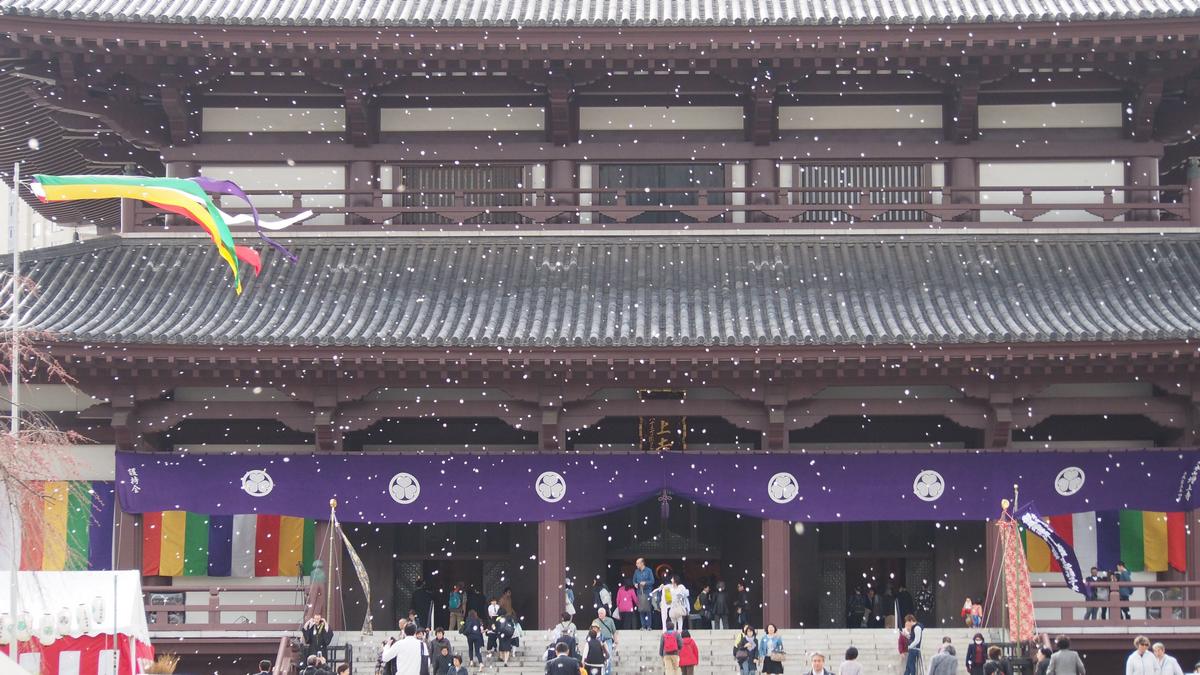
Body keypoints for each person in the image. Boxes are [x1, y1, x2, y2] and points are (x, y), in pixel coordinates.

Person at [592, 607, 618, 675]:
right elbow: (592, 632)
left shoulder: (610, 620)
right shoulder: (595, 621)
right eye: (599, 613)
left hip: (608, 640)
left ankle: (607, 673)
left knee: (608, 657)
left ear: (605, 613)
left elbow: (614, 631)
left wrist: (616, 640)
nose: (600, 615)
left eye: (601, 613)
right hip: (598, 641)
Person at [633, 558, 656, 630]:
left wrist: (645, 583)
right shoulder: (636, 571)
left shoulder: (649, 570)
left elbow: (652, 581)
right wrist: (635, 584)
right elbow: (634, 580)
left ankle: (649, 626)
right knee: (641, 609)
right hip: (640, 592)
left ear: (642, 563)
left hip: (647, 592)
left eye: (637, 563)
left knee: (648, 609)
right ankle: (643, 626)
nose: (636, 565)